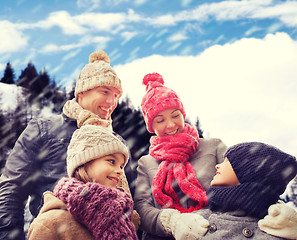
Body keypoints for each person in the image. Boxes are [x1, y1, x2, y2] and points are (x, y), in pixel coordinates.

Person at [0, 50, 135, 240]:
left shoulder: (117, 142)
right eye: (105, 92)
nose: (111, 102)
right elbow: (12, 189)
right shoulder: (43, 129)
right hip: (55, 232)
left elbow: (132, 199)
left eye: (116, 95)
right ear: (82, 91)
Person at [134, 72, 227, 240]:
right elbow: (141, 208)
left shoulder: (214, 147)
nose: (170, 125)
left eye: (175, 115)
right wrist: (174, 223)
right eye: (160, 120)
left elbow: (241, 185)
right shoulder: (146, 163)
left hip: (217, 233)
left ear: (183, 114)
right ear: (151, 126)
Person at [27, 123, 138, 240]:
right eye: (111, 161)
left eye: (121, 166)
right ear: (84, 162)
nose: (120, 171)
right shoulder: (49, 222)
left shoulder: (122, 216)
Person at [180, 141, 297, 239]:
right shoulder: (195, 222)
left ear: (249, 172)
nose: (217, 166)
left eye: (226, 161)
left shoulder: (279, 228)